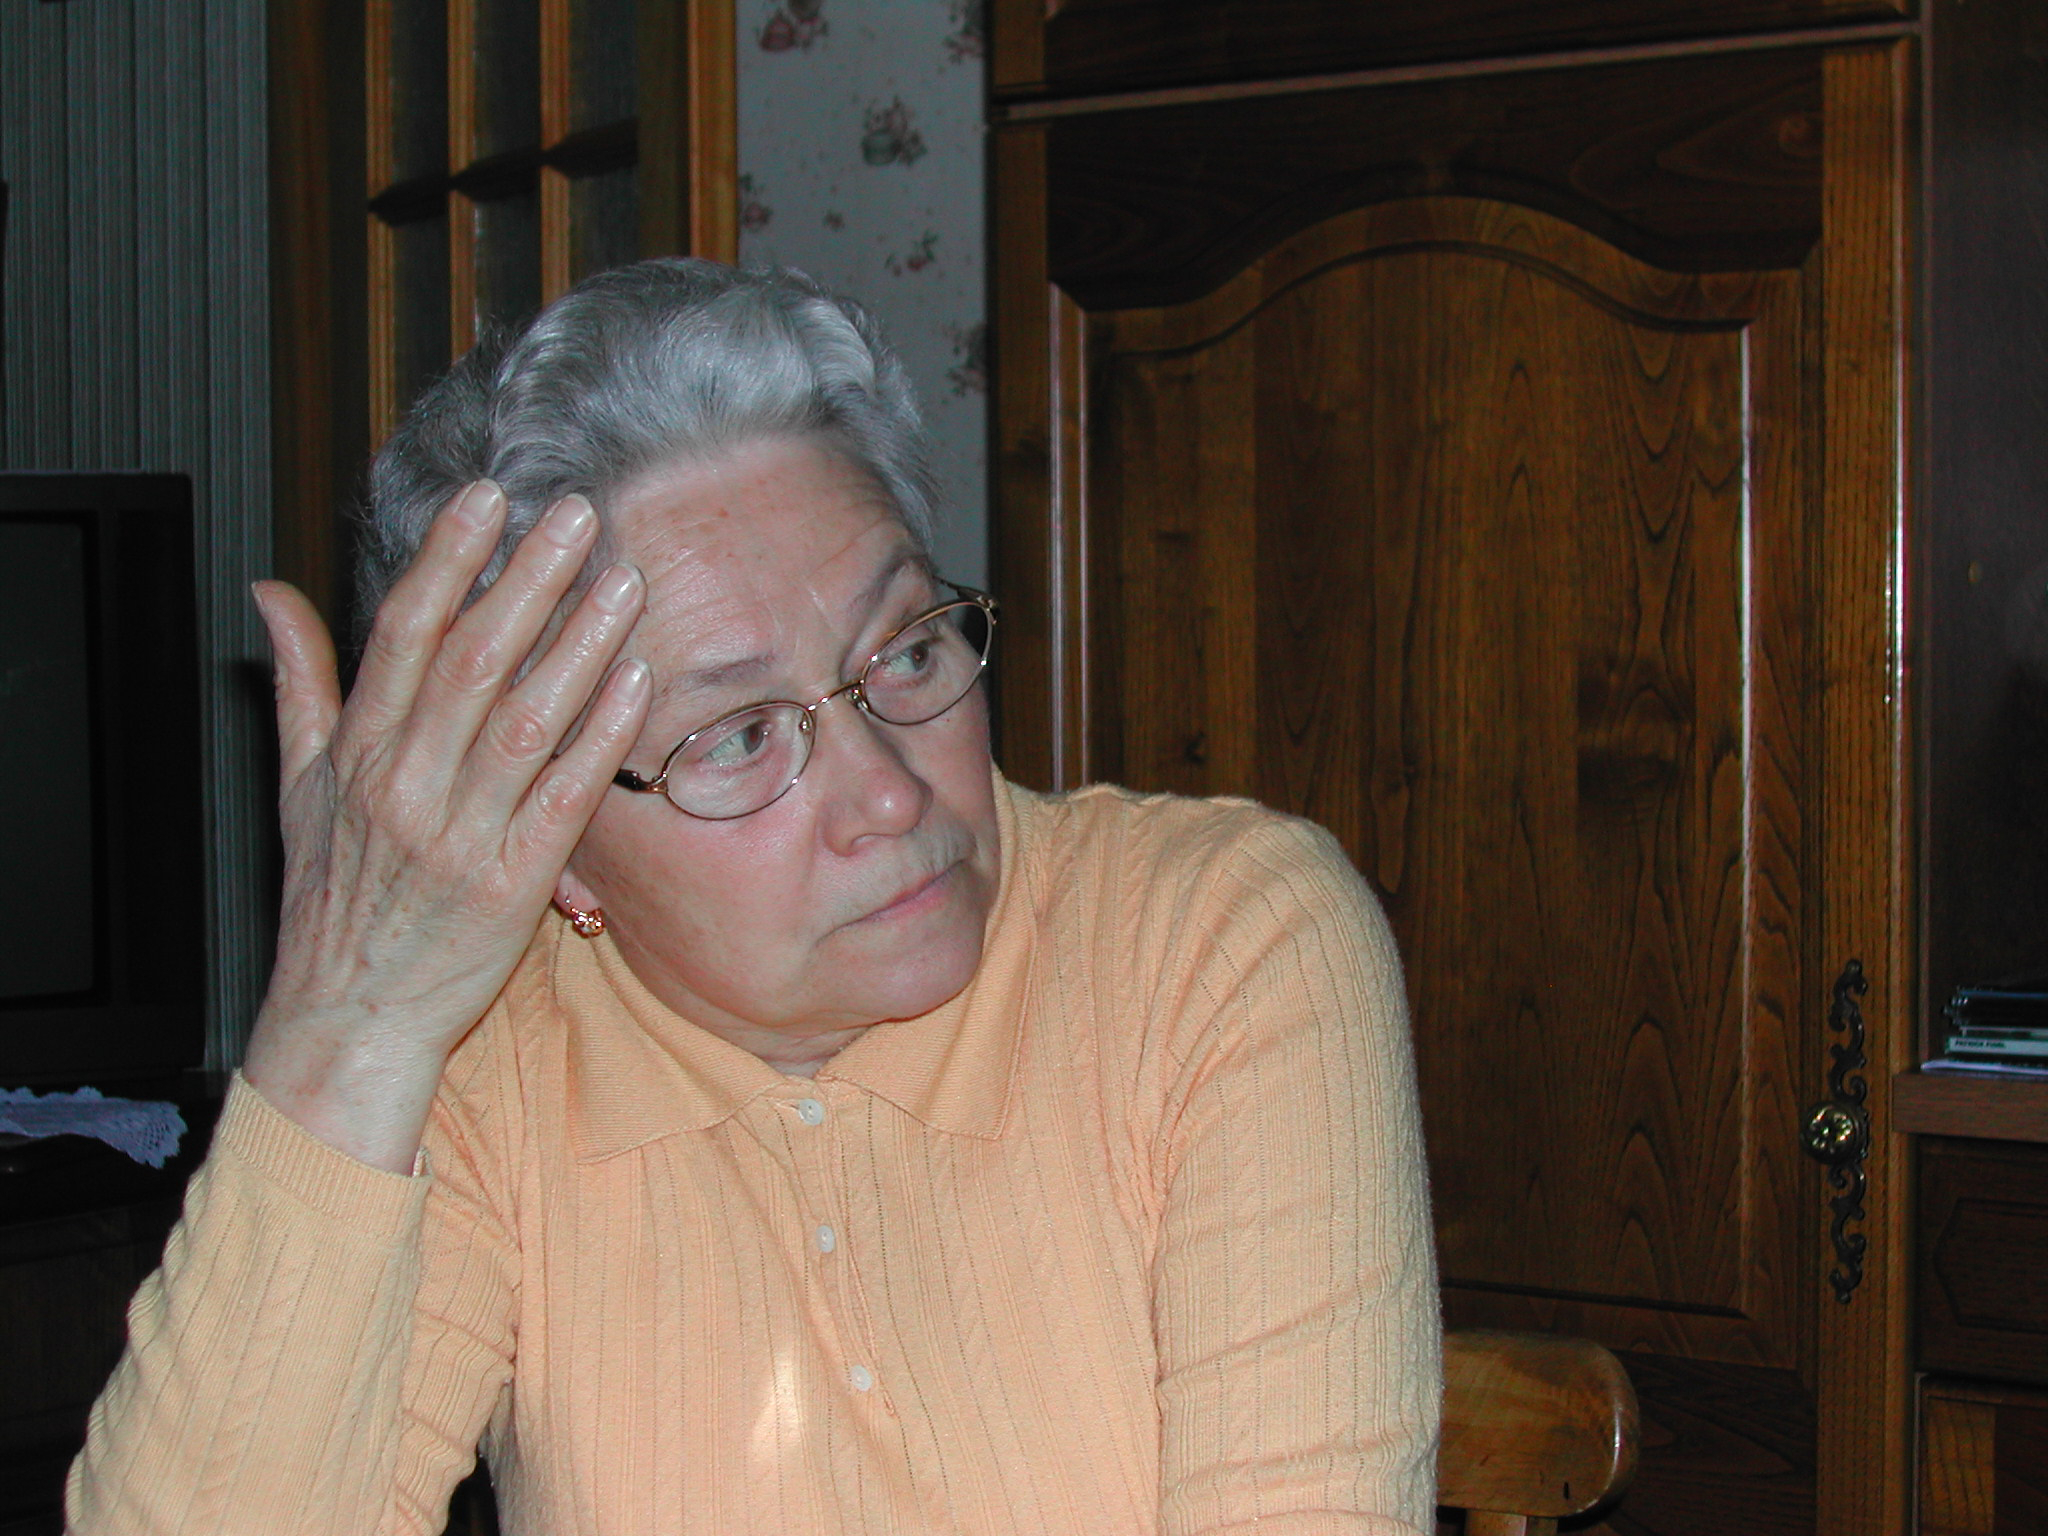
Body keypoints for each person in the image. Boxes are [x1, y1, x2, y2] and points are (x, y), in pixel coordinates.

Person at [67, 260, 1440, 1535]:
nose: (888, 794)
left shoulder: (1214, 943)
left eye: (905, 651)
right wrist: (349, 1028)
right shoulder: (488, 1059)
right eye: (737, 736)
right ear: (553, 851)